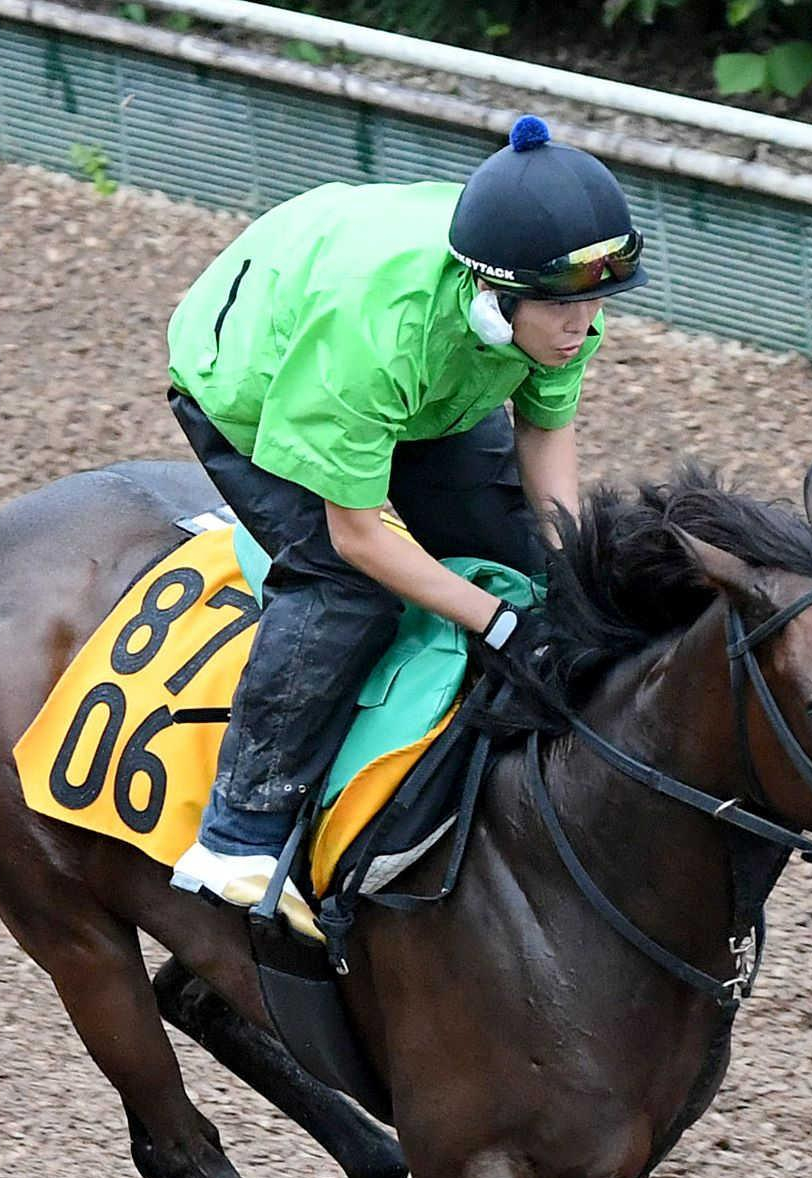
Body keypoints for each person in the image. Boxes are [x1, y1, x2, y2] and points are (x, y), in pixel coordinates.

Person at [164, 114, 647, 937]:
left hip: (427, 392)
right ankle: (237, 834)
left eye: (596, 302)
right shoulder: (375, 335)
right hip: (257, 380)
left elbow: (545, 434)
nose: (586, 325)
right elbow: (357, 535)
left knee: (528, 565)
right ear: (498, 297)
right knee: (347, 593)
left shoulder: (560, 305)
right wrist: (492, 620)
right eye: (566, 308)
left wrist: (568, 573)